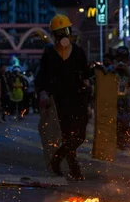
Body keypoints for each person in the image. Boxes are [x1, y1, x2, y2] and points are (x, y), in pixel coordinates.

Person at [36, 14, 90, 180]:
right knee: (67, 135)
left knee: (79, 136)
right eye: (59, 32)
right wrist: (43, 93)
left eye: (65, 31)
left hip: (78, 100)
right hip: (59, 101)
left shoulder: (79, 52)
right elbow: (42, 77)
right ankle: (75, 170)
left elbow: (87, 75)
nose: (63, 36)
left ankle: (57, 158)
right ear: (54, 35)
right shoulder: (49, 54)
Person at [114, 46, 130, 151]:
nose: (121, 61)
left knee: (127, 122)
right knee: (116, 122)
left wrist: (127, 72)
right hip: (114, 99)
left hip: (127, 100)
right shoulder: (113, 69)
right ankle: (118, 142)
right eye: (119, 58)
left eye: (123, 58)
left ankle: (126, 141)